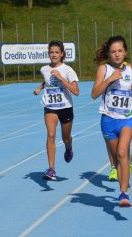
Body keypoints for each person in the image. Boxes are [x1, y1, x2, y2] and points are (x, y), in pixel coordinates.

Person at [91, 35, 132, 207]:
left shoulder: (131, 70)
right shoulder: (103, 69)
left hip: (127, 120)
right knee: (116, 159)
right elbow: (94, 94)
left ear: (125, 52)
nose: (117, 54)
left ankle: (123, 194)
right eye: (113, 52)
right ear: (108, 53)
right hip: (108, 120)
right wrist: (110, 79)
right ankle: (124, 176)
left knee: (122, 153)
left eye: (120, 51)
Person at [34, 40, 79, 181]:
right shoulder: (44, 69)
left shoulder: (68, 70)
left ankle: (68, 147)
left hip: (65, 107)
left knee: (65, 137)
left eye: (56, 52)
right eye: (51, 52)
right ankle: (51, 169)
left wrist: (61, 78)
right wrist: (40, 88)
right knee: (51, 135)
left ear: (62, 54)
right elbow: (47, 81)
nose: (54, 55)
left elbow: (76, 91)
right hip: (50, 107)